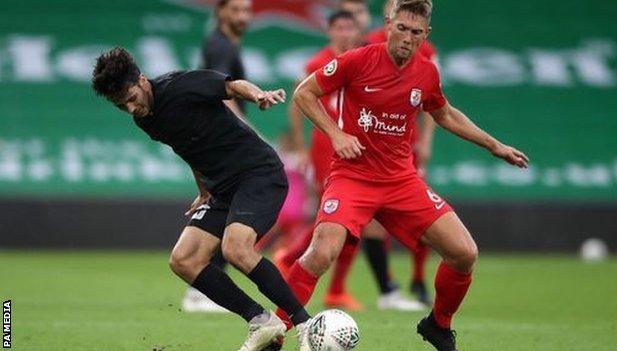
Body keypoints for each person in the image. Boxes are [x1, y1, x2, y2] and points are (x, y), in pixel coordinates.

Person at [275, 1, 530, 350]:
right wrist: (336, 135)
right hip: (353, 177)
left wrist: (494, 145)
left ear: (425, 35)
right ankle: (275, 331)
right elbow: (304, 92)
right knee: (321, 253)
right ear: (388, 24)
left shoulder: (426, 72)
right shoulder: (358, 59)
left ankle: (438, 326)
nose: (407, 38)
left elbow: (445, 114)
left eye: (416, 32)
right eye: (401, 29)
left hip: (400, 182)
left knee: (464, 253)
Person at [91, 47, 313, 351]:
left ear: (141, 80)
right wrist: (203, 190)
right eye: (121, 105)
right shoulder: (145, 119)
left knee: (235, 248)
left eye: (130, 98)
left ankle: (305, 324)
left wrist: (258, 95)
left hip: (258, 173)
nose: (130, 108)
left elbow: (231, 86)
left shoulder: (181, 85)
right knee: (184, 259)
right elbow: (187, 148)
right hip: (221, 188)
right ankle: (261, 321)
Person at [280, 9, 423, 312]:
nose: (346, 33)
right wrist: (301, 146)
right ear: (330, 31)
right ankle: (296, 262)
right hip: (327, 147)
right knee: (340, 221)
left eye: (352, 27)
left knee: (349, 223)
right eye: (340, 27)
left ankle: (333, 286)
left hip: (360, 147)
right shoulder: (319, 63)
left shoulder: (364, 59)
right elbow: (299, 102)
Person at [367, 0, 439, 305]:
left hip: (403, 153)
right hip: (367, 155)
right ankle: (386, 289)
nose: (408, 36)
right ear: (388, 17)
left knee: (427, 221)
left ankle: (418, 279)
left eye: (416, 30)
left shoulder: (428, 56)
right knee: (344, 231)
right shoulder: (368, 47)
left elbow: (436, 104)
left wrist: (426, 140)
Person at [183, 0, 253, 313]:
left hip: (220, 141)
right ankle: (200, 288)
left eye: (247, 10)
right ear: (221, 11)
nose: (243, 16)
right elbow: (225, 96)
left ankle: (202, 286)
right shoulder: (221, 45)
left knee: (229, 211)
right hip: (225, 142)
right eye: (236, 9)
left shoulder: (222, 42)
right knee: (231, 210)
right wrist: (250, 133)